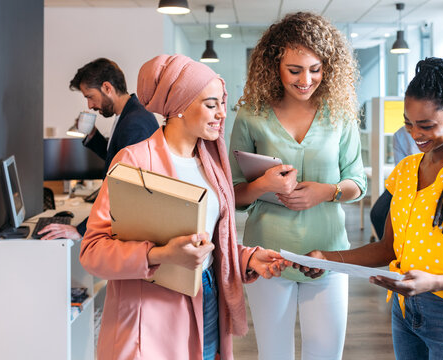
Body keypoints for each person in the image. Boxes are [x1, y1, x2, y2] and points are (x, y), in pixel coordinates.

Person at [298, 57, 443, 359]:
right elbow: (388, 248)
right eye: (408, 124)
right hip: (405, 310)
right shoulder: (405, 170)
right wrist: (327, 259)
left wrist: (436, 282)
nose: (415, 134)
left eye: (426, 125)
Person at [80, 54, 290, 360]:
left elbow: (211, 240)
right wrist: (161, 254)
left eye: (222, 103)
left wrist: (247, 258)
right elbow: (92, 252)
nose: (222, 113)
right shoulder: (134, 160)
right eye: (211, 104)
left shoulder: (211, 164)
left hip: (207, 297)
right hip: (152, 316)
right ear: (179, 106)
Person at [228, 12, 366, 360]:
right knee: (274, 354)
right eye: (295, 70)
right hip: (268, 255)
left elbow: (357, 183)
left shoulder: (339, 114)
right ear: (275, 66)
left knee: (326, 354)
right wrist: (261, 185)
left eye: (316, 69)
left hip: (329, 252)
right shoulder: (252, 115)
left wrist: (327, 191)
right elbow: (232, 192)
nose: (306, 80)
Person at [39, 58, 158, 240]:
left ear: (107, 88)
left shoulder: (134, 124)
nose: (90, 105)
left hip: (135, 229)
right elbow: (117, 158)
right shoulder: (128, 115)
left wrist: (81, 230)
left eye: (89, 96)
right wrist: (92, 135)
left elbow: (125, 189)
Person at [370, 126, 419, 240]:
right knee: (378, 213)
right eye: (408, 123)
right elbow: (401, 169)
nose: (415, 134)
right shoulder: (400, 135)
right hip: (407, 181)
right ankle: (392, 249)